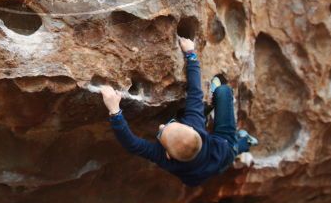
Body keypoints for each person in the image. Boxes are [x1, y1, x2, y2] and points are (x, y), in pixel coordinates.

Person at [99, 37, 257, 187]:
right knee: (223, 92)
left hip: (197, 176)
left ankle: (242, 141)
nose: (161, 126)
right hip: (224, 149)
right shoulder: (194, 122)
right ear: (192, 127)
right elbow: (195, 91)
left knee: (221, 156)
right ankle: (245, 142)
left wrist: (115, 111)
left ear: (167, 154)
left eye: (161, 132)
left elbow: (132, 144)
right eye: (165, 128)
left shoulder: (163, 158)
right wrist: (191, 54)